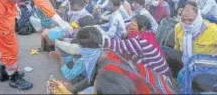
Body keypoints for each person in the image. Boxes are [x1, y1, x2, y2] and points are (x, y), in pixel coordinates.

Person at [48, 26, 176, 94]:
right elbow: (92, 79)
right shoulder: (105, 53)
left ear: (86, 51)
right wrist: (73, 88)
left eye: (81, 48)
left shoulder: (109, 69)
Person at [105, 15, 172, 77]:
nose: (130, 26)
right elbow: (126, 44)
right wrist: (126, 34)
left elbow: (118, 45)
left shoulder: (142, 41)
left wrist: (100, 40)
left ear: (143, 28)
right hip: (156, 73)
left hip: (157, 78)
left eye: (133, 25)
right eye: (131, 23)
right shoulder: (147, 35)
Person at [163, 1, 217, 77]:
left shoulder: (214, 31)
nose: (186, 23)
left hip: (207, 68)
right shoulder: (178, 27)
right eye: (183, 19)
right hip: (185, 64)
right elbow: (177, 47)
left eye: (190, 20)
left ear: (197, 17)